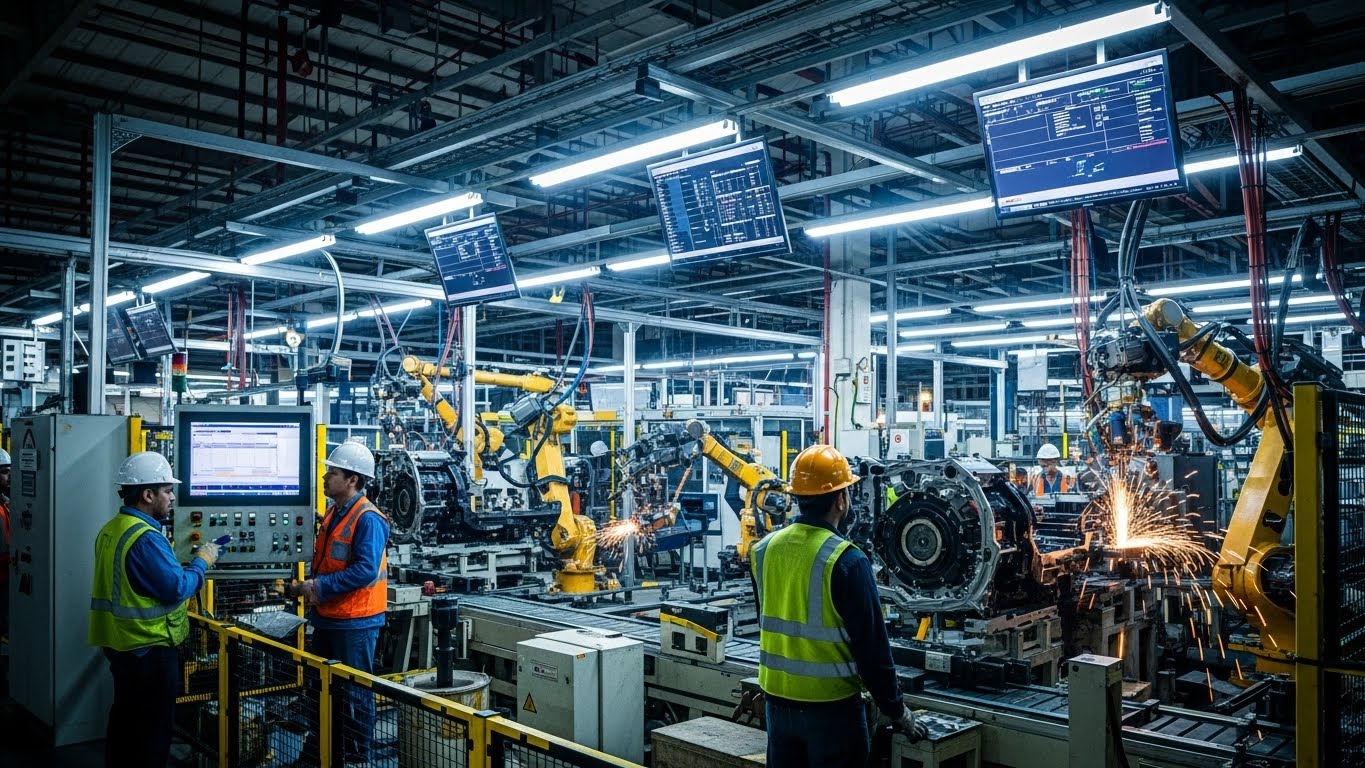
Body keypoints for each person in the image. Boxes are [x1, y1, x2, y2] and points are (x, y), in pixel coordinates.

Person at [750, 444, 927, 767]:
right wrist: (898, 711)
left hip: (777, 706)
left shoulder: (764, 550)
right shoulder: (846, 560)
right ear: (840, 499)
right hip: (831, 713)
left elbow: (770, 618)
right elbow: (873, 651)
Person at [89, 451, 221, 768]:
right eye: (167, 491)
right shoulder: (146, 538)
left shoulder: (112, 528)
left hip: (121, 645)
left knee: (125, 727)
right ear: (148, 495)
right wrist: (203, 561)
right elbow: (177, 587)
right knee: (152, 735)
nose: (173, 498)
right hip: (149, 649)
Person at [287, 441, 390, 767]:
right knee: (323, 685)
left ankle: (360, 756)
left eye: (332, 472)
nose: (325, 476)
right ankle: (323, 748)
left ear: (353, 480)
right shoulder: (334, 511)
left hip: (355, 621)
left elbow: (363, 570)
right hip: (330, 615)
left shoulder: (368, 519)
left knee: (356, 692)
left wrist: (315, 586)